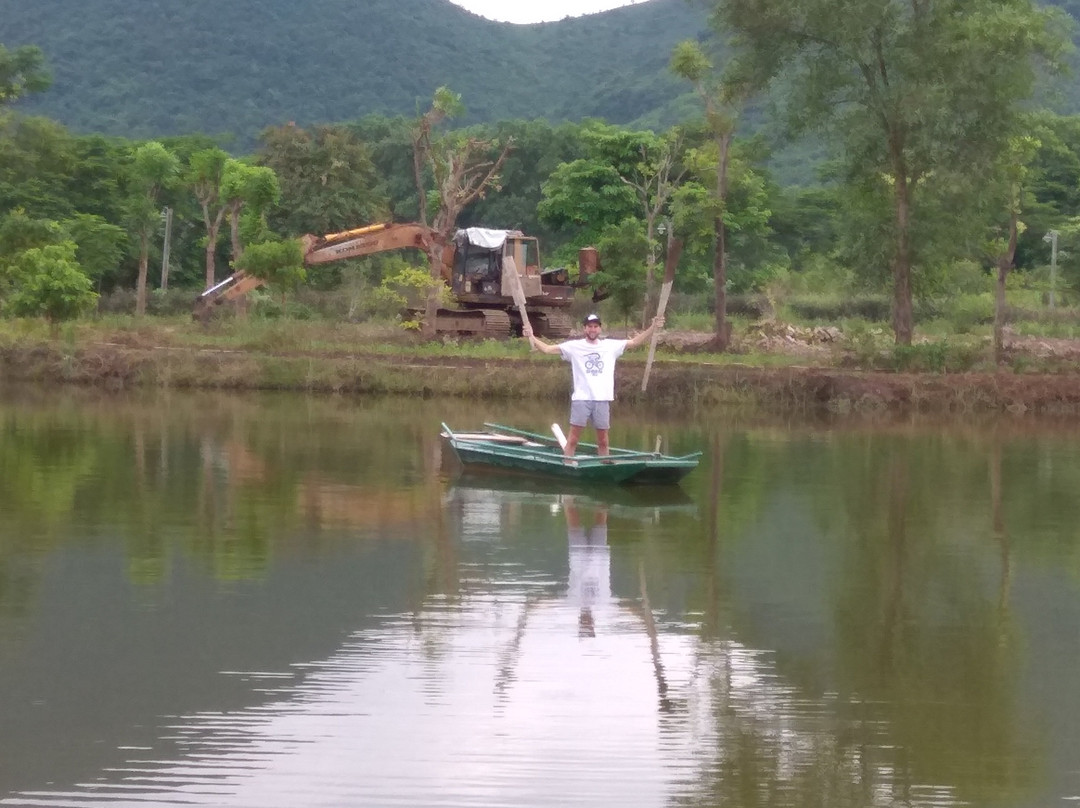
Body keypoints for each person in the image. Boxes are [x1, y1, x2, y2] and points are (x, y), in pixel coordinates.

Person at [523, 312, 664, 457]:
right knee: (573, 440)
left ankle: (605, 464)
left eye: (595, 326)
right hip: (581, 399)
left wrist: (653, 327)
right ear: (584, 328)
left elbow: (634, 342)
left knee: (603, 441)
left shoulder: (610, 346)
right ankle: (568, 462)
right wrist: (531, 336)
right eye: (589, 326)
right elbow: (547, 349)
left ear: (600, 329)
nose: (592, 329)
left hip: (602, 399)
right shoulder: (574, 346)